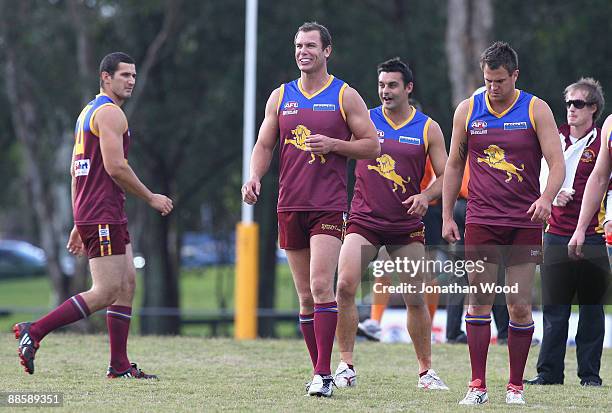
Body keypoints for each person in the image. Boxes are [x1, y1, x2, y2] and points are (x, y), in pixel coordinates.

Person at [13, 52, 173, 378]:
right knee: (106, 290)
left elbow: (77, 171)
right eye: (124, 75)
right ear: (105, 77)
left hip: (99, 211)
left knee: (127, 283)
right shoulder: (111, 114)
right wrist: (151, 197)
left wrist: (76, 220)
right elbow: (115, 167)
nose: (130, 80)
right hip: (102, 212)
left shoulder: (87, 112)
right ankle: (36, 330)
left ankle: (119, 365)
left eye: (133, 76)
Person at [241, 22, 379, 397]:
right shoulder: (280, 96)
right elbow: (265, 145)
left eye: (311, 46)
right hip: (290, 203)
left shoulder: (345, 95)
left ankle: (323, 375)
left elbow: (371, 146)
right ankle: (318, 369)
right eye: (299, 45)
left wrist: (335, 144)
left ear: (327, 51)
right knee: (305, 296)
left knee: (322, 286)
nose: (303, 51)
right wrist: (254, 176)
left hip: (329, 207)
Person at [442, 41, 565, 405]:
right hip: (480, 219)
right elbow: (453, 164)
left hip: (523, 222)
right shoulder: (467, 110)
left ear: (515, 75)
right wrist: (448, 214)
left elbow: (557, 164)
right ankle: (477, 386)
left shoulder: (535, 108)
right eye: (487, 81)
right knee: (478, 301)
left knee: (519, 305)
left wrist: (545, 198)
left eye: (499, 81)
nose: (492, 88)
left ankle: (515, 387)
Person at [334, 57, 449, 390]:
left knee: (416, 297)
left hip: (405, 227)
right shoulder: (364, 120)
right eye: (381, 85)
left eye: (392, 85)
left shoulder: (428, 127)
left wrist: (426, 197)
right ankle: (346, 365)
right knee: (344, 287)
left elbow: (447, 176)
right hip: (363, 221)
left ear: (408, 88)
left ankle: (426, 372)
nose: (385, 91)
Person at [526, 78, 608, 387]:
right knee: (554, 308)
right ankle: (549, 373)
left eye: (579, 104)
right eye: (569, 103)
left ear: (593, 109)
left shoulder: (602, 142)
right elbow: (533, 174)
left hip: (593, 235)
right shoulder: (554, 137)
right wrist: (550, 192)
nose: (571, 109)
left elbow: (607, 186)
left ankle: (590, 375)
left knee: (591, 308)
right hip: (556, 232)